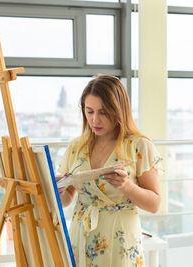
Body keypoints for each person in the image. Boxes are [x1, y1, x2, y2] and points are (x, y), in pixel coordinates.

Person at [57, 74, 162, 267]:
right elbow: (66, 200)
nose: (95, 119)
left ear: (119, 110)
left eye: (103, 112)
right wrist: (58, 189)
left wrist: (127, 186)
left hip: (119, 241)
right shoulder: (76, 147)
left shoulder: (139, 146)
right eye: (89, 112)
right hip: (80, 237)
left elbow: (154, 204)